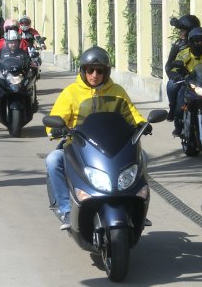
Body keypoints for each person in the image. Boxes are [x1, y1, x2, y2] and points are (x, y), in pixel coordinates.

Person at [45, 46, 149, 230]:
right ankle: (66, 210)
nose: (94, 74)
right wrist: (54, 129)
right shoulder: (71, 92)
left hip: (112, 146)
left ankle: (137, 206)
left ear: (106, 72)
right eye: (90, 70)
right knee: (53, 160)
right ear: (83, 71)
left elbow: (130, 113)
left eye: (99, 71)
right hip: (78, 145)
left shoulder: (117, 91)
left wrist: (142, 123)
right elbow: (58, 115)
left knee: (143, 157)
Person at [0, 21, 33, 107]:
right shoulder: (1, 42)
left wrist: (31, 63)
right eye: (9, 29)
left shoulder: (23, 42)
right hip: (6, 70)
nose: (13, 44)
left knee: (31, 75)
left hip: (19, 69)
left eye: (14, 28)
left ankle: (32, 99)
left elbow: (27, 55)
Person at [165, 15, 200, 121]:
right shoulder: (177, 46)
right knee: (172, 85)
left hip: (199, 78)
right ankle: (172, 107)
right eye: (179, 30)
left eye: (182, 30)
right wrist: (172, 74)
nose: (180, 33)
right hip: (182, 77)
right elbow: (168, 64)